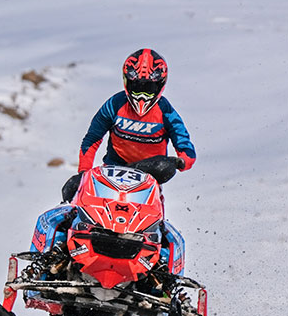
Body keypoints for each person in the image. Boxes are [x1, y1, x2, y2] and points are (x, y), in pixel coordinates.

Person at [62, 48, 196, 202]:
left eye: (149, 89)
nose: (142, 95)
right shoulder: (114, 104)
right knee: (74, 193)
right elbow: (92, 139)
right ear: (127, 82)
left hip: (149, 179)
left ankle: (159, 226)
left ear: (160, 85)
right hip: (111, 174)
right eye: (137, 86)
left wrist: (181, 161)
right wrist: (83, 173)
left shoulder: (166, 112)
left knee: (154, 219)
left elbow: (185, 146)